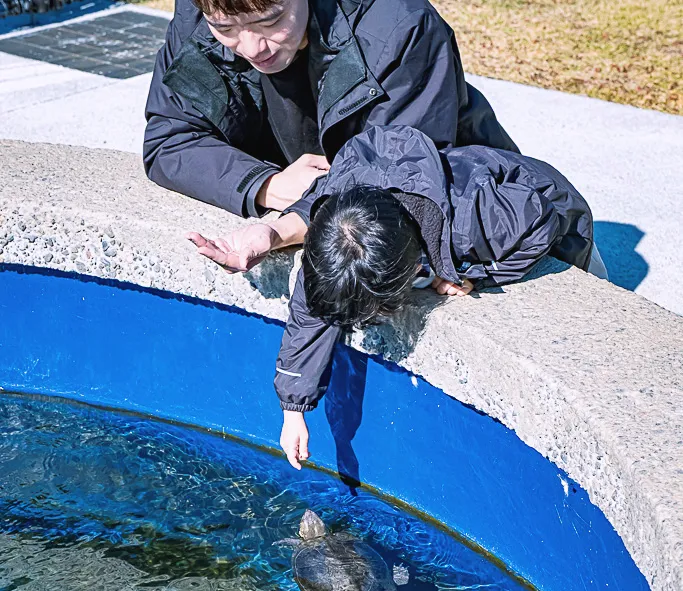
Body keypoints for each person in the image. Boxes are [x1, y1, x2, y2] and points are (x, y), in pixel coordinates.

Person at [190, 125, 605, 470]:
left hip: (551, 218)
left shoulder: (474, 223)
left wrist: (470, 272)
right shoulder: (337, 235)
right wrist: (293, 410)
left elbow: (539, 222)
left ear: (404, 275)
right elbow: (312, 307)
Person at [144, 0, 518, 219]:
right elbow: (170, 141)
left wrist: (298, 214)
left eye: (271, 19)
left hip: (482, 204)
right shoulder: (203, 14)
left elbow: (402, 180)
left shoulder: (398, 25)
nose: (253, 46)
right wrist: (264, 184)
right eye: (226, 29)